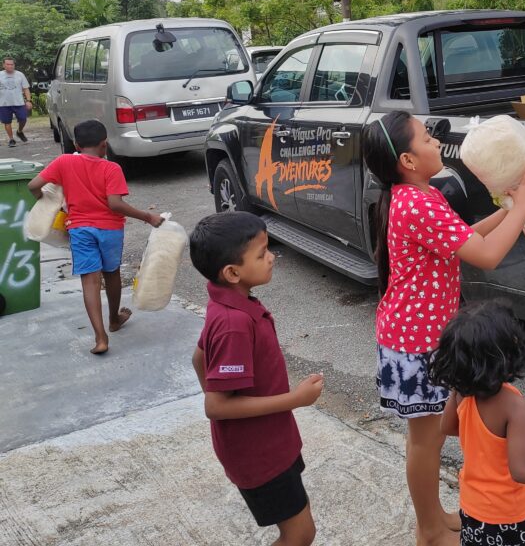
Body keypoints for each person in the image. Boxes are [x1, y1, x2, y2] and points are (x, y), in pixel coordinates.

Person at [361, 110, 525, 546]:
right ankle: (429, 529)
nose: (436, 143)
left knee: (428, 437)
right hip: (416, 344)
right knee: (426, 441)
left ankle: (433, 515)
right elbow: (484, 255)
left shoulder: (415, 196)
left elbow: (463, 237)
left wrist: (510, 210)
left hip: (418, 339)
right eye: (427, 138)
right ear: (408, 160)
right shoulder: (418, 201)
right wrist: (523, 203)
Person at [189, 211, 322, 546]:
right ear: (232, 272)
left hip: (270, 441)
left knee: (298, 524)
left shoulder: (230, 302)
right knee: (300, 534)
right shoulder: (234, 323)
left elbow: (199, 356)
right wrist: (295, 399)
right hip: (258, 453)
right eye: (262, 254)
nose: (272, 257)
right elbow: (216, 406)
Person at [429, 301, 525, 545]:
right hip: (511, 516)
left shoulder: (463, 392)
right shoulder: (513, 404)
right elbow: (521, 471)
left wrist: (459, 389)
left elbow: (447, 428)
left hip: (472, 510)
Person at [27, 119, 163, 354]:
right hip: (110, 230)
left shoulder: (64, 161)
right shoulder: (112, 168)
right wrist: (146, 216)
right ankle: (114, 319)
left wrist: (45, 199)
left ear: (77, 144)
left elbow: (33, 185)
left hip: (79, 229)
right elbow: (115, 203)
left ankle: (101, 338)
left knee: (90, 282)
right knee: (111, 274)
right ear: (104, 145)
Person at [1, 56, 32, 147]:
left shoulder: (20, 74)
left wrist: (28, 100)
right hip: (4, 103)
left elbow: (26, 89)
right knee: (7, 122)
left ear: (14, 65)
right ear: (4, 65)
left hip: (19, 102)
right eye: (8, 64)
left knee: (23, 118)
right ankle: (11, 139)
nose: (10, 66)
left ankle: (19, 131)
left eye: (12, 64)